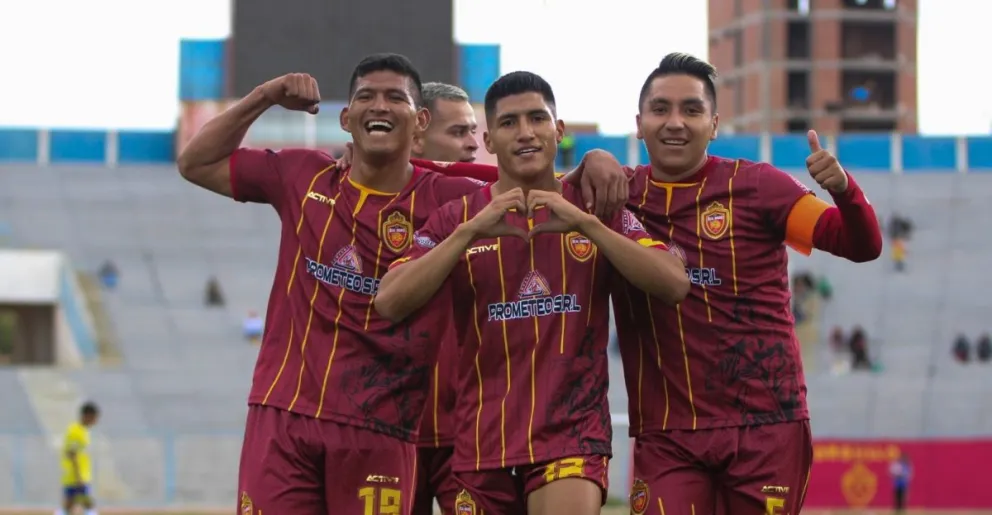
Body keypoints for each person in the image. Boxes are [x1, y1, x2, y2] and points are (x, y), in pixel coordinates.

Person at [176, 53, 627, 514]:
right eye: (366, 97)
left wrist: (594, 157)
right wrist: (265, 95)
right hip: (284, 413)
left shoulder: (450, 197)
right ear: (346, 118)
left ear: (418, 121)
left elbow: (535, 178)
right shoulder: (302, 174)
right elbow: (195, 162)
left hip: (383, 425)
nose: (380, 106)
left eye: (396, 97)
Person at [374, 71, 689, 515]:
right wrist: (470, 232)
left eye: (537, 119)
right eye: (509, 123)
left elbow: (674, 283)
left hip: (571, 435)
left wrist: (586, 224)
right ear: (490, 139)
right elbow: (388, 300)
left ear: (558, 131)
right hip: (481, 442)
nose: (525, 133)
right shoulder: (457, 217)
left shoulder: (593, 205)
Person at [616, 53, 882, 515]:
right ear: (639, 123)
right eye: (661, 109)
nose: (675, 122)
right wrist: (595, 159)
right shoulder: (616, 194)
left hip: (765, 426)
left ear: (714, 124)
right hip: (668, 432)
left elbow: (860, 244)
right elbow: (511, 185)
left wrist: (844, 190)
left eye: (692, 110)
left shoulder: (760, 187)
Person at [57, 402, 100, 515]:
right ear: (88, 415)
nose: (95, 421)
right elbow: (72, 454)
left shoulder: (82, 431)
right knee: (87, 505)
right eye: (94, 418)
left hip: (77, 476)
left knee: (69, 505)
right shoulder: (76, 431)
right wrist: (78, 476)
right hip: (75, 476)